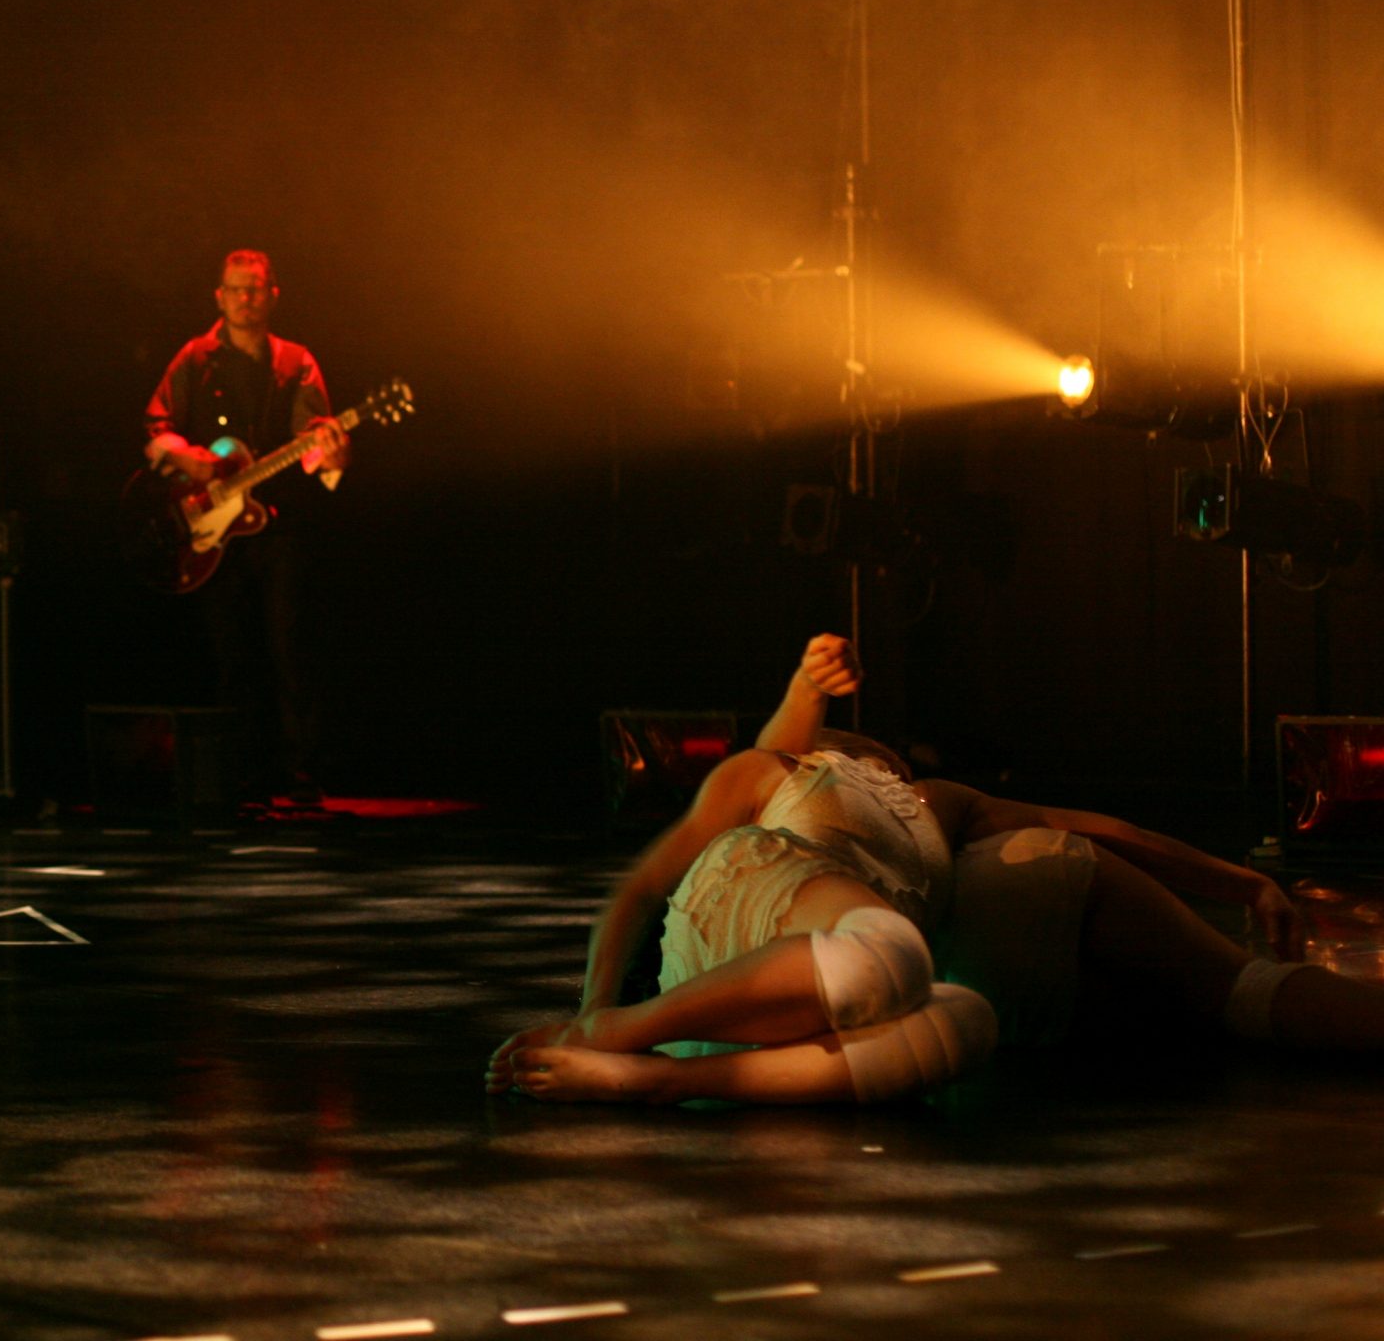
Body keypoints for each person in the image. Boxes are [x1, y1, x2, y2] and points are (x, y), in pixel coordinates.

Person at [487, 634, 1372, 1105]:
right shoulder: (781, 771)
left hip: (840, 982)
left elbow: (1105, 828)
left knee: (964, 1019)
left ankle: (654, 1081)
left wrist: (1243, 881)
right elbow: (642, 888)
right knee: (892, 951)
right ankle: (623, 1040)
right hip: (757, 926)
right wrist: (593, 1011)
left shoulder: (940, 803)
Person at [143, 249, 346, 803]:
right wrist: (187, 458)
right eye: (235, 289)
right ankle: (235, 771)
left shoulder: (297, 362)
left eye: (254, 289)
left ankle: (300, 771)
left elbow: (313, 438)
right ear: (219, 297)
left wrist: (331, 457)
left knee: (289, 648)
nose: (244, 299)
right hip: (215, 532)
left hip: (277, 527)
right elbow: (157, 427)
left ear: (272, 296)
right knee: (229, 654)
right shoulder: (194, 358)